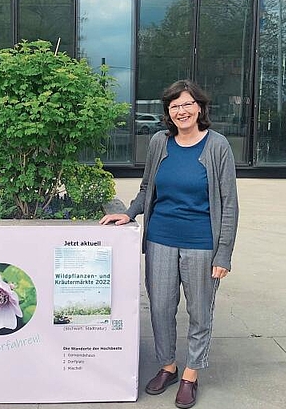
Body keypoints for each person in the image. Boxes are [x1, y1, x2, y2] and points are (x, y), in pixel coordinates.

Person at [100, 79, 238, 409]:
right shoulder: (159, 143)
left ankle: (190, 374)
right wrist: (130, 213)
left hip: (202, 243)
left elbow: (229, 203)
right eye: (174, 106)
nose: (181, 111)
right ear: (168, 113)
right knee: (160, 308)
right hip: (160, 239)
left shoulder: (217, 147)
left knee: (199, 311)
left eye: (187, 104)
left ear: (200, 108)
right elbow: (148, 187)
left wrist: (224, 253)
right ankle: (168, 366)